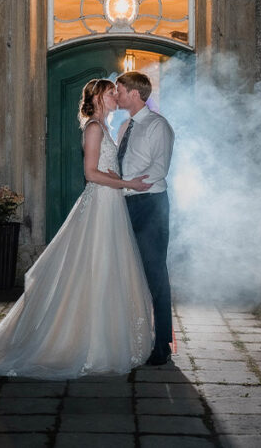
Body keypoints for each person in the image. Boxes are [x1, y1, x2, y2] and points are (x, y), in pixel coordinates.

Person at [0, 79, 155, 379]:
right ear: (98, 97)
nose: (116, 97)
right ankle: (79, 339)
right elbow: (90, 174)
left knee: (108, 267)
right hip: (100, 204)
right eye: (111, 93)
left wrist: (117, 177)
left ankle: (106, 334)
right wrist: (127, 183)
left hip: (110, 205)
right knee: (93, 265)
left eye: (117, 92)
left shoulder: (105, 126)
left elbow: (102, 168)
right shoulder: (94, 128)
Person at [114, 71, 175, 366]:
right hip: (125, 202)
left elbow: (158, 169)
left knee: (155, 275)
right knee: (126, 272)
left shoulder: (158, 125)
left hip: (150, 205)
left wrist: (126, 184)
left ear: (135, 94)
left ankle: (162, 344)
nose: (117, 95)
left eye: (120, 90)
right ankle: (132, 338)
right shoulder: (124, 125)